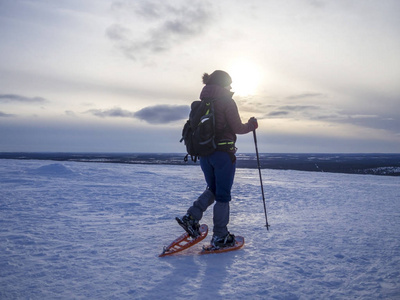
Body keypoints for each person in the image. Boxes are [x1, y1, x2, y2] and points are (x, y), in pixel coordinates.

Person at [176, 70, 258, 248]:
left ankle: (191, 217)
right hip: (223, 154)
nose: (231, 87)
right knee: (223, 195)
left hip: (205, 154)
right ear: (223, 84)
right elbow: (237, 127)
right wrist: (252, 125)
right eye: (229, 83)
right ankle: (220, 235)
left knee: (213, 189)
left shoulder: (202, 103)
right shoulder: (226, 101)